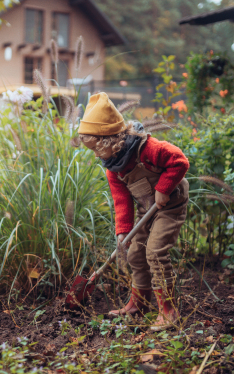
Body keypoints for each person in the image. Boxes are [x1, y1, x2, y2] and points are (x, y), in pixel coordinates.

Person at [77, 92, 189, 331]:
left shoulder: (148, 149)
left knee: (155, 251)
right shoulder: (113, 168)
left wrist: (164, 188)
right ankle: (139, 305)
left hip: (169, 206)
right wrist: (123, 231)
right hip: (145, 208)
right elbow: (121, 200)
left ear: (109, 140)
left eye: (96, 148)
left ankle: (168, 310)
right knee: (135, 254)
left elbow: (180, 161)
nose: (96, 155)